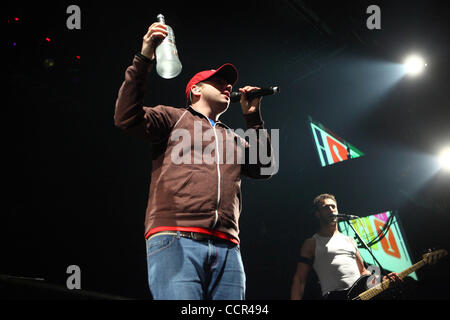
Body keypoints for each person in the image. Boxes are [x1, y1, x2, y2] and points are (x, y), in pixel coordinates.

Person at [114, 21, 274, 300]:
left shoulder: (233, 138)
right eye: (219, 82)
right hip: (176, 237)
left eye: (229, 84)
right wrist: (144, 57)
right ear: (196, 90)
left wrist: (252, 119)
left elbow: (265, 168)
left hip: (227, 248)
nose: (228, 87)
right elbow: (126, 117)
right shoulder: (173, 118)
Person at [290, 194, 401, 300]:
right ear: (318, 214)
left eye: (333, 206)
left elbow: (363, 272)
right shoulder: (312, 243)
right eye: (325, 207)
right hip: (334, 296)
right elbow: (300, 279)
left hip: (359, 295)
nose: (331, 209)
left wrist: (383, 280)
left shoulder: (349, 240)